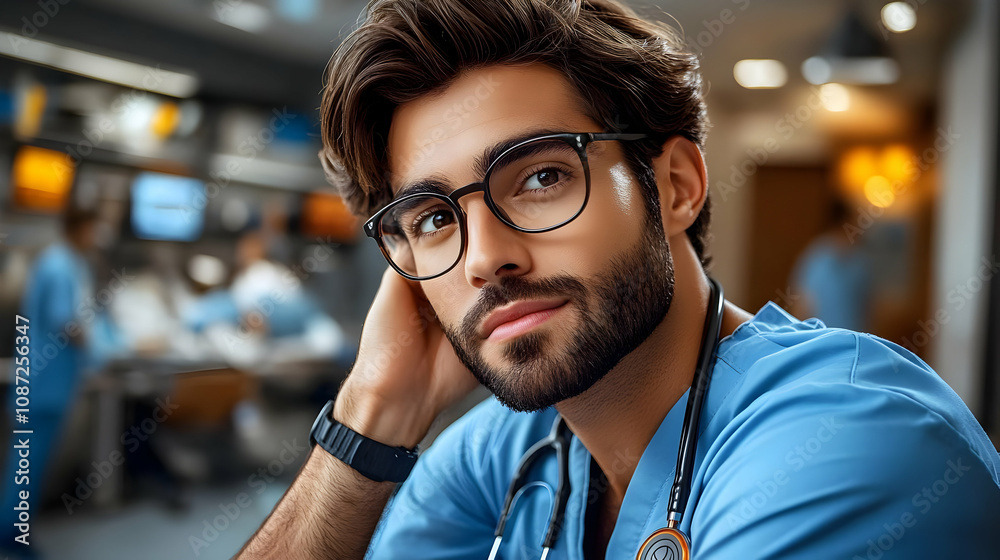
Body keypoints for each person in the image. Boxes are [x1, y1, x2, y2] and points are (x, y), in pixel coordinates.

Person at [238, 1, 1000, 558]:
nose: (481, 258)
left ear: (674, 187)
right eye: (434, 217)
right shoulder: (510, 450)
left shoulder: (854, 447)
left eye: (539, 176)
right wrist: (371, 416)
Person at [1, 207, 100, 560]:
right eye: (93, 229)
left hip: (51, 382)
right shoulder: (59, 265)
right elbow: (66, 323)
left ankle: (13, 529)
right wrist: (97, 345)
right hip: (43, 382)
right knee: (27, 461)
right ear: (78, 227)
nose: (96, 236)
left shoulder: (68, 262)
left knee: (31, 461)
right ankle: (10, 534)